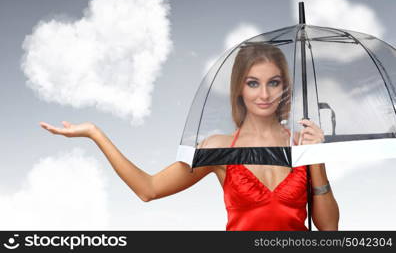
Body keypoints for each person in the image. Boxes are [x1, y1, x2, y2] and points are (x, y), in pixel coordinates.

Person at [39, 43, 339, 231]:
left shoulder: (302, 144)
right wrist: (95, 133)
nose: (264, 94)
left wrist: (317, 160)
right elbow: (149, 189)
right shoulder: (219, 148)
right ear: (239, 89)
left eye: (273, 83)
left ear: (284, 86)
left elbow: (329, 228)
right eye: (253, 83)